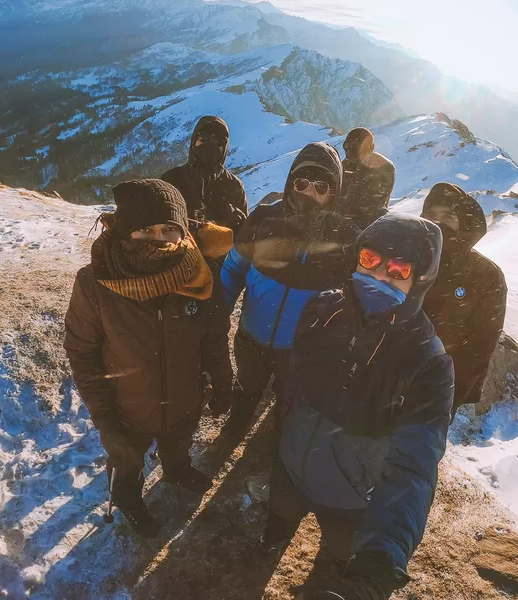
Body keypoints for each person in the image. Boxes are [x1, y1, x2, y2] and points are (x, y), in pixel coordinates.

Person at [259, 213, 454, 600]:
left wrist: (380, 561)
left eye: (398, 269)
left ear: (419, 280)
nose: (379, 275)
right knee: (278, 518)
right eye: (370, 259)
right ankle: (271, 543)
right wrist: (283, 431)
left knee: (337, 557)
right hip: (290, 467)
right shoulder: (322, 310)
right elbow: (294, 381)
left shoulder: (427, 361)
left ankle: (332, 569)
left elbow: (414, 467)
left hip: (351, 496)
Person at [63, 179, 234, 537]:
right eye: (145, 230)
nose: (159, 240)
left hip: (185, 400)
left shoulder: (200, 276)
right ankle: (128, 499)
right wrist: (105, 420)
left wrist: (222, 381)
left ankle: (176, 469)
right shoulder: (96, 284)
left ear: (183, 232)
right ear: (125, 232)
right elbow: (83, 353)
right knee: (126, 463)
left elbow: (214, 336)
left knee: (179, 443)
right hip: (128, 410)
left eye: (169, 229)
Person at [219, 142, 357, 436]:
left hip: (300, 351)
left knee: (289, 401)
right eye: (302, 182)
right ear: (290, 182)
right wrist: (218, 314)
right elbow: (233, 269)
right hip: (251, 338)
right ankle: (236, 426)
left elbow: (352, 299)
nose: (309, 193)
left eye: (321, 187)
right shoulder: (263, 219)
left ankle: (280, 443)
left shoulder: (345, 240)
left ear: (334, 193)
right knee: (247, 386)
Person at [162, 115, 249, 418]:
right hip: (174, 274)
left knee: (214, 335)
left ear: (226, 148)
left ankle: (220, 390)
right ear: (193, 142)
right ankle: (179, 395)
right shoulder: (173, 180)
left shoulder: (233, 187)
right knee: (176, 336)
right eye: (203, 139)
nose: (209, 146)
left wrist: (236, 223)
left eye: (218, 142)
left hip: (215, 277)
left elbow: (242, 242)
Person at [420, 182, 507, 414]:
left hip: (432, 392)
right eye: (430, 215)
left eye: (448, 216)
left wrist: (448, 400)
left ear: (463, 223)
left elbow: (479, 347)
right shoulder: (407, 255)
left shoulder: (485, 275)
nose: (437, 222)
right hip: (380, 379)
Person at [339, 127, 396, 230]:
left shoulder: (383, 168)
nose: (348, 152)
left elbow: (375, 203)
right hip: (350, 226)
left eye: (353, 148)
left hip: (369, 227)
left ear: (370, 148)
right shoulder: (344, 166)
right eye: (346, 147)